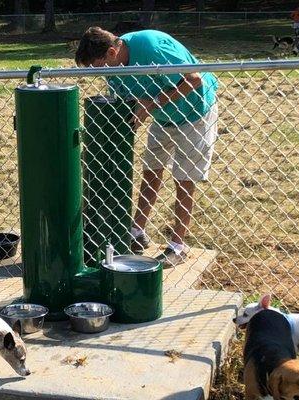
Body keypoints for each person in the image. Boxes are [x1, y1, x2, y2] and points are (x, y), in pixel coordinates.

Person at [75, 27, 218, 267]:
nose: (101, 73)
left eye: (101, 66)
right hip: (163, 117)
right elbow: (126, 102)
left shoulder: (150, 47)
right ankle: (137, 231)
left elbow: (193, 79)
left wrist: (151, 104)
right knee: (151, 171)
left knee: (184, 178)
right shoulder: (113, 68)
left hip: (195, 112)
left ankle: (177, 246)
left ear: (112, 51)